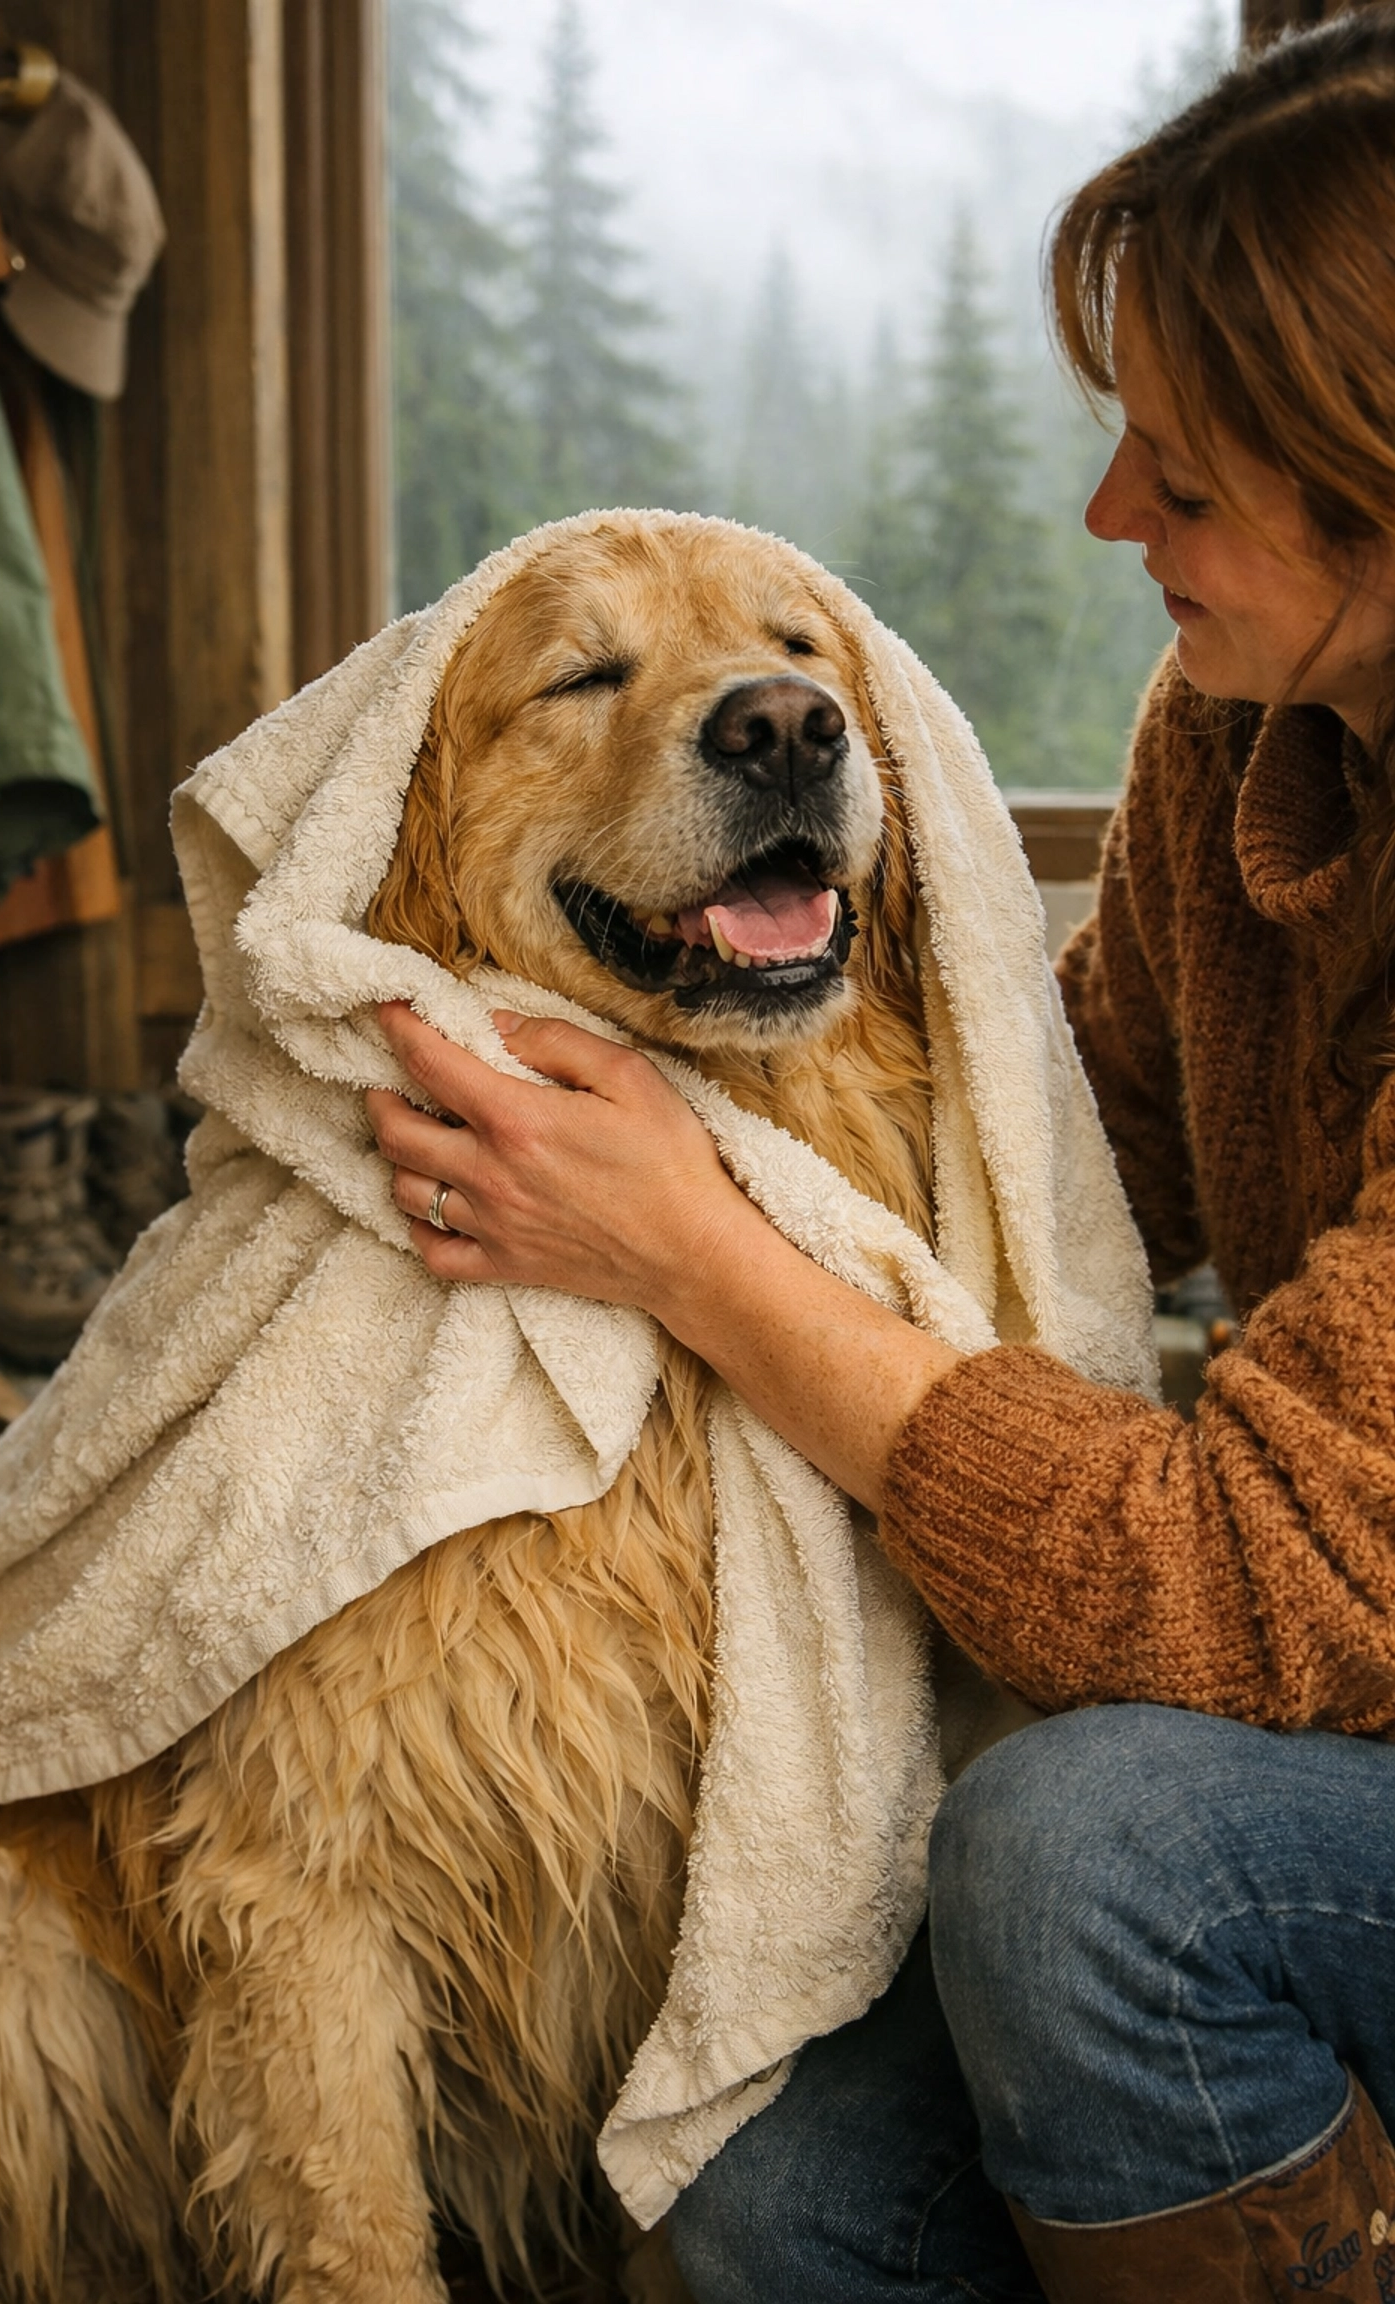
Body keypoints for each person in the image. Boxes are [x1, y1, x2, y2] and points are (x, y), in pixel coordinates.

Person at [367, 14, 1395, 2299]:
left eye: (1188, 475)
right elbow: (1061, 1149)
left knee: (1085, 1848)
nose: (1112, 516)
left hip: (1316, 1723)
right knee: (749, 2187)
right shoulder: (1249, 739)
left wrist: (697, 1252)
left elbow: (1238, 1586)